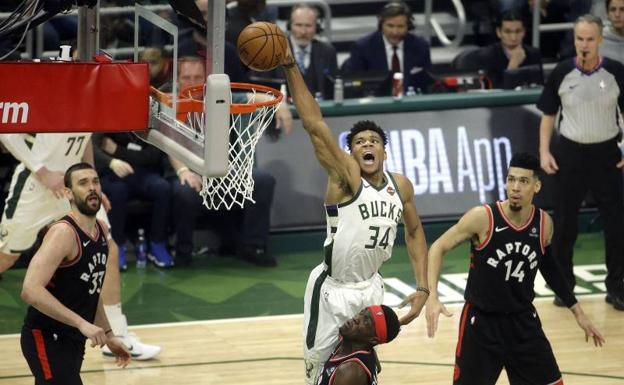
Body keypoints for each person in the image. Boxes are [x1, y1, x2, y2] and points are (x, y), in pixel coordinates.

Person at [280, 37, 429, 385]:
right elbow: (315, 125)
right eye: (359, 141)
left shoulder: (401, 185)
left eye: (373, 141)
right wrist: (290, 66)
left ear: (384, 152)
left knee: (361, 369)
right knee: (320, 373)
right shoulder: (344, 178)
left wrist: (423, 289)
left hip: (371, 288)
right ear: (350, 153)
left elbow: (415, 232)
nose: (366, 144)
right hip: (332, 289)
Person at [426, 153, 605, 385]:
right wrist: (433, 295)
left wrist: (578, 313)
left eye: (523, 181)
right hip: (482, 325)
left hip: (523, 323)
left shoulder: (543, 223)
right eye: (511, 180)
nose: (515, 187)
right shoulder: (483, 217)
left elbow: (550, 268)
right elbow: (438, 247)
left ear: (537, 186)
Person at [0, 133, 162, 360]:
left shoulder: (88, 100)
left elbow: (85, 141)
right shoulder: (45, 98)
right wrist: (42, 171)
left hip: (74, 187)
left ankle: (115, 333)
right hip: (37, 183)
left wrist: (93, 185)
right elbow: (7, 133)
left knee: (108, 247)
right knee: (6, 258)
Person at [166, 56, 292, 266]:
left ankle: (254, 247)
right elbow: (170, 142)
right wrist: (183, 171)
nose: (193, 81)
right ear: (178, 80)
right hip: (186, 170)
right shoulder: (171, 103)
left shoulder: (217, 98)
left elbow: (256, 97)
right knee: (184, 191)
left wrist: (280, 106)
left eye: (198, 77)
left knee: (262, 180)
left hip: (222, 172)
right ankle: (183, 252)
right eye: (187, 77)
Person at [537, 14, 624, 311]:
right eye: (579, 39)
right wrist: (545, 152)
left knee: (616, 224)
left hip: (607, 154)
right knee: (564, 225)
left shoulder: (616, 72)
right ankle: (565, 288)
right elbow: (548, 115)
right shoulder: (562, 72)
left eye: (589, 39)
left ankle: (617, 287)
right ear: (574, 40)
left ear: (600, 40)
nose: (584, 44)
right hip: (570, 154)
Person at [20, 163, 131, 384]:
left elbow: (91, 290)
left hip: (72, 338)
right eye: (83, 183)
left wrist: (109, 334)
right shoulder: (63, 233)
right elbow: (30, 290)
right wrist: (81, 323)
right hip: (46, 334)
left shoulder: (102, 231)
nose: (92, 187)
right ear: (68, 193)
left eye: (95, 182)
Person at [93, 132, 174, 269]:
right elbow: (93, 148)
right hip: (112, 172)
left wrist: (117, 151)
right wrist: (111, 161)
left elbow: (153, 156)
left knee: (163, 188)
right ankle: (117, 245)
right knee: (117, 191)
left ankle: (157, 243)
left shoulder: (149, 120)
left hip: (143, 173)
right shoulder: (108, 118)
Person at [249, 3, 338, 99]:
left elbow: (333, 89)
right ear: (289, 26)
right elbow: (262, 90)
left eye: (308, 26)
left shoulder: (328, 51)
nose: (303, 31)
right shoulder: (272, 51)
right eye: (298, 25)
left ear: (317, 27)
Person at [341, 1, 432, 93]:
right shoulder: (363, 47)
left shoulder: (420, 46)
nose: (395, 32)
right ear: (381, 25)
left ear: (408, 26)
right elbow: (351, 84)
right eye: (390, 26)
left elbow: (428, 81)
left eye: (400, 26)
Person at [317, 305, 400, 385]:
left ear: (373, 339)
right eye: (361, 312)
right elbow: (377, 368)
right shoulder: (355, 343)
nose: (356, 318)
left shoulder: (349, 372)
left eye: (366, 322)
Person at [476, 10, 543, 88]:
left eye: (518, 31)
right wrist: (513, 66)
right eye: (507, 32)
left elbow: (539, 87)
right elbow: (494, 91)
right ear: (499, 32)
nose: (513, 37)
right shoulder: (487, 56)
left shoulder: (533, 54)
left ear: (524, 32)